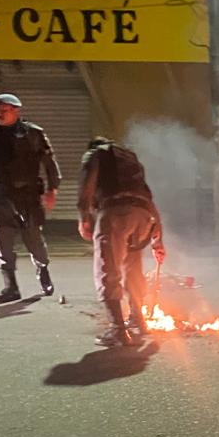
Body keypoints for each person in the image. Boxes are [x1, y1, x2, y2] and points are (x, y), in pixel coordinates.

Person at [0, 92, 61, 303]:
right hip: (1, 198)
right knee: (2, 245)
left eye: (4, 110)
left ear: (16, 111)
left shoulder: (33, 133)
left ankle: (43, 271)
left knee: (34, 241)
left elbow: (49, 163)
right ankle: (11, 287)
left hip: (27, 198)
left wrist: (52, 190)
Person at [77, 136, 165, 347]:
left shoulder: (95, 155)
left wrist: (84, 217)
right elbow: (147, 196)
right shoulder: (130, 159)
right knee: (133, 268)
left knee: (107, 269)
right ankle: (138, 320)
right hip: (143, 216)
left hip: (116, 214)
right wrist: (157, 240)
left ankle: (118, 330)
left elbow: (86, 188)